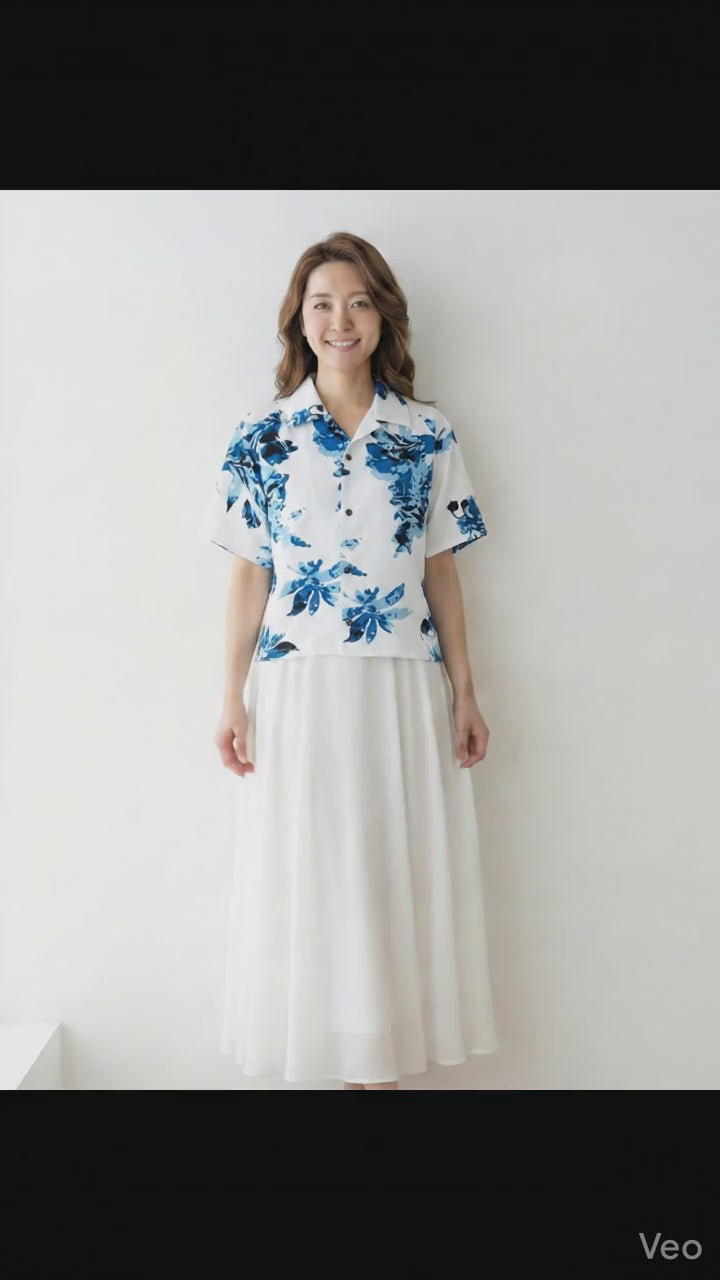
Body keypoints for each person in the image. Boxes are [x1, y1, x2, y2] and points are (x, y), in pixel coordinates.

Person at [200, 230, 500, 1090]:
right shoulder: (260, 437)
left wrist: (465, 692)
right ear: (299, 320)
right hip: (297, 686)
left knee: (390, 878)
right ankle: (339, 1074)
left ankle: (379, 1077)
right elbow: (249, 574)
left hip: (401, 684)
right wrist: (231, 697)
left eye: (359, 302)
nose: (341, 320)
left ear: (382, 317)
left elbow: (441, 570)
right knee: (316, 877)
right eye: (323, 303)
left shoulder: (427, 433)